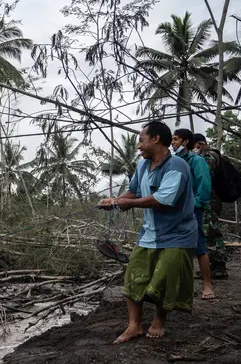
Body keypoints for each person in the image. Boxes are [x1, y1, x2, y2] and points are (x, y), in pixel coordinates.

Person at [98, 121, 197, 343]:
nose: (138, 146)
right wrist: (115, 201)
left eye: (141, 140)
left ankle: (159, 320)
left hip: (177, 235)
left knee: (165, 278)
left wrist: (127, 204)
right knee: (133, 276)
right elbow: (133, 192)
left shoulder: (177, 166)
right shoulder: (142, 167)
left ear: (155, 139)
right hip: (149, 234)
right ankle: (134, 326)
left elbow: (163, 200)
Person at [172, 129, 217, 300]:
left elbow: (204, 186)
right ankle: (184, 287)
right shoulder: (174, 161)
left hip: (192, 210)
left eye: (175, 139)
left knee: (199, 246)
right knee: (178, 248)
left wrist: (194, 205)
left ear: (185, 142)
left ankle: (207, 285)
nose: (172, 143)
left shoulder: (196, 161)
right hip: (175, 211)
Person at [191, 133, 228, 279]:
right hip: (209, 199)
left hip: (210, 200)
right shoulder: (207, 156)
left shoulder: (209, 156)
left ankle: (219, 266)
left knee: (211, 231)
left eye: (193, 146)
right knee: (207, 232)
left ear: (199, 144)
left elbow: (204, 176)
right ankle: (213, 265)